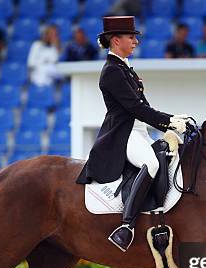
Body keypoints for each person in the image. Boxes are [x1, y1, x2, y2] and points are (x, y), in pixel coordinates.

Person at [76, 16, 192, 252]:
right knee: (150, 163)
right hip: (123, 133)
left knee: (168, 157)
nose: (135, 42)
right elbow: (136, 108)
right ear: (116, 40)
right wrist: (169, 121)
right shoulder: (111, 71)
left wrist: (169, 125)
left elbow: (144, 107)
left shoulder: (125, 69)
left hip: (139, 130)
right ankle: (126, 226)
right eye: (131, 37)